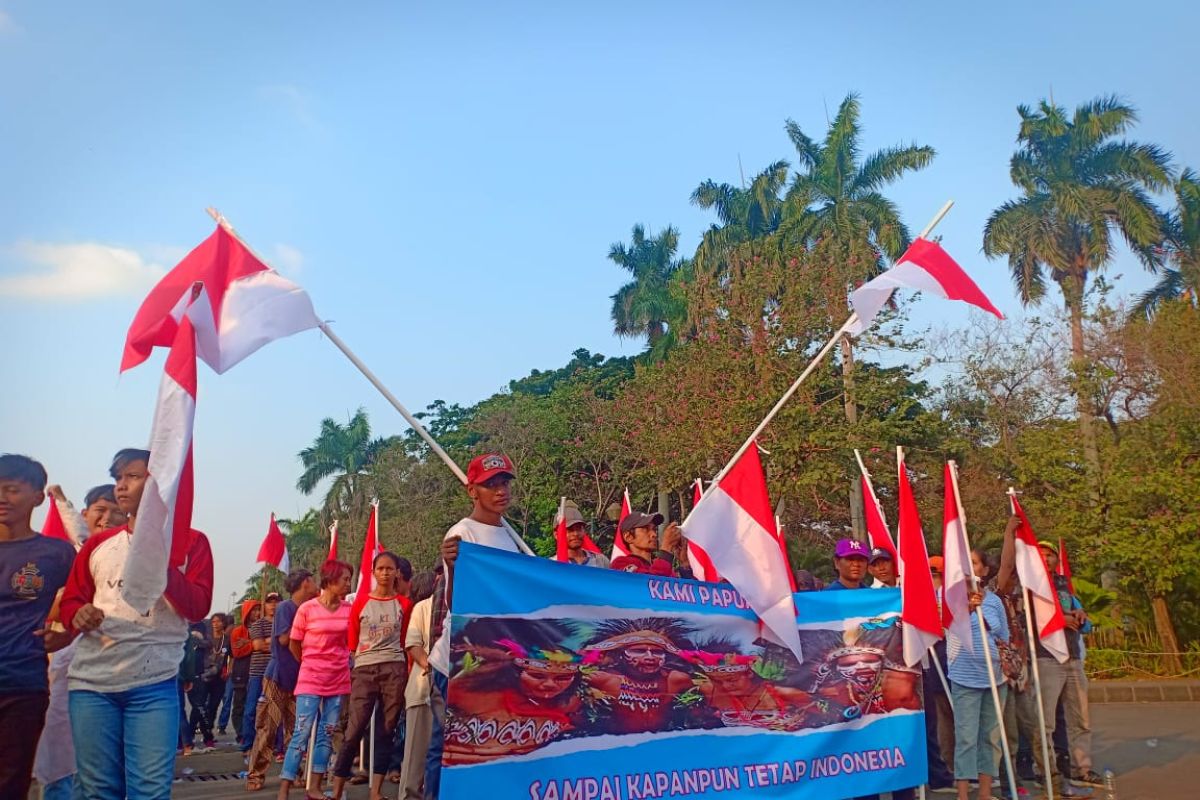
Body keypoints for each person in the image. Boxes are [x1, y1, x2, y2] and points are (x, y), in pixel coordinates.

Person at [60, 447, 214, 800]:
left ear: (160, 482)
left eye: (132, 476)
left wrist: (158, 562)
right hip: (92, 685)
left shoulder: (192, 544)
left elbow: (197, 606)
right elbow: (72, 600)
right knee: (99, 791)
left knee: (149, 791)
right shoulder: (97, 545)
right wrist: (78, 614)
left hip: (154, 685)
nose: (121, 487)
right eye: (118, 478)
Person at [430, 453, 535, 799]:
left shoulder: (510, 537)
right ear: (472, 491)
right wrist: (455, 567)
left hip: (497, 662)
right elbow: (455, 605)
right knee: (451, 749)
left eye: (504, 482)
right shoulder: (463, 534)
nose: (500, 490)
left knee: (489, 748)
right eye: (491, 484)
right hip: (459, 664)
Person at [35, 483, 125, 800]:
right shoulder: (65, 557)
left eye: (117, 511)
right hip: (65, 664)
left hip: (115, 668)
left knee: (104, 755)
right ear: (87, 514)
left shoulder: (130, 555)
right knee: (60, 750)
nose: (107, 518)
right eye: (100, 511)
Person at [0, 454, 76, 800]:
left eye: (12, 489)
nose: (2, 497)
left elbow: (85, 602)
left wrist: (68, 633)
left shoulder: (56, 553)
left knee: (11, 784)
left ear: (37, 497)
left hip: (23, 686)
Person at [331, 552, 414, 800]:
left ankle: (375, 791)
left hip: (394, 670)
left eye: (390, 569)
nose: (386, 573)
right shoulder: (361, 602)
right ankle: (336, 791)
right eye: (381, 569)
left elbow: (405, 640)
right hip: (365, 669)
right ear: (373, 572)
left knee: (386, 730)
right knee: (354, 730)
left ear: (397, 572)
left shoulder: (404, 604)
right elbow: (352, 640)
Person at [443, 620, 586, 765]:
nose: (550, 684)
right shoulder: (476, 694)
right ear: (517, 673)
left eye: (563, 678)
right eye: (537, 676)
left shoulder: (575, 704)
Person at [277, 559, 354, 800]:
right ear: (330, 581)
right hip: (310, 677)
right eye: (345, 579)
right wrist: (310, 662)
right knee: (301, 731)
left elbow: (351, 642)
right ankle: (285, 787)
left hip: (338, 678)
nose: (348, 584)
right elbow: (294, 643)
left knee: (327, 732)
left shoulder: (348, 611)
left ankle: (315, 787)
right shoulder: (307, 609)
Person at [1035, 540, 1102, 789]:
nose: (1047, 559)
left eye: (1050, 554)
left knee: (1080, 718)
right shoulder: (1030, 585)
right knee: (1046, 721)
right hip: (1046, 657)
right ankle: (1047, 771)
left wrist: (1079, 614)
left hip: (1072, 656)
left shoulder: (1063, 584)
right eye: (1041, 554)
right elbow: (1028, 617)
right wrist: (1057, 620)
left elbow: (1076, 608)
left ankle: (1080, 768)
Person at [946, 549, 1010, 800]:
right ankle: (963, 795)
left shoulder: (994, 602)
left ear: (984, 570)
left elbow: (1002, 637)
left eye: (974, 563)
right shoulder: (951, 598)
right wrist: (969, 610)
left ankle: (985, 793)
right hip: (964, 679)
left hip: (995, 679)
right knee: (966, 739)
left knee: (991, 739)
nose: (968, 568)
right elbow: (947, 630)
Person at [246, 573, 316, 791]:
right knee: (268, 727)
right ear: (305, 583)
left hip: (299, 679)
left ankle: (293, 772)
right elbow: (285, 639)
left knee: (296, 730)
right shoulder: (287, 607)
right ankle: (255, 774)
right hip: (278, 676)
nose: (315, 585)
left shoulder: (308, 608)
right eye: (312, 581)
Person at [583, 618, 695, 735]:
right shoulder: (605, 679)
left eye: (657, 652)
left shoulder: (675, 679)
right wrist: (602, 650)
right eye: (639, 651)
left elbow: (711, 673)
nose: (650, 657)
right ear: (621, 654)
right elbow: (568, 668)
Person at [400, 571, 437, 800]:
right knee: (416, 756)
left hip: (453, 693)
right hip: (423, 687)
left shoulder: (463, 606)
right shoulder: (423, 607)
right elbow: (413, 646)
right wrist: (434, 668)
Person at [242, 592, 280, 753]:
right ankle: (248, 745)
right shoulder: (258, 624)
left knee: (277, 711)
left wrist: (269, 641)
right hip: (258, 672)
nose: (273, 605)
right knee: (252, 710)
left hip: (277, 673)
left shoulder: (284, 623)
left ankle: (276, 747)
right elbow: (258, 646)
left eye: (276, 602)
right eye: (269, 602)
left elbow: (287, 642)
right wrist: (277, 640)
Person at [226, 601, 260, 745]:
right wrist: (254, 645)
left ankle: (253, 735)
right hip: (241, 672)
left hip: (258, 671)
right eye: (253, 610)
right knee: (240, 705)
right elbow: (237, 651)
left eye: (258, 610)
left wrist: (248, 643)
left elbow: (266, 645)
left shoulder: (262, 627)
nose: (257, 613)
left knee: (255, 707)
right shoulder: (237, 631)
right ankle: (241, 734)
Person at [609, 511, 685, 576]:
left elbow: (683, 591)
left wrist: (685, 565)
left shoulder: (663, 567)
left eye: (654, 529)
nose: (654, 534)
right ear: (628, 537)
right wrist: (666, 547)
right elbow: (651, 584)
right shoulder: (620, 563)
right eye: (645, 529)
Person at [562, 503, 610, 568]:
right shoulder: (552, 565)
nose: (576, 534)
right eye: (570, 530)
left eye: (579, 529)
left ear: (584, 530)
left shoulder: (601, 561)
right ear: (556, 534)